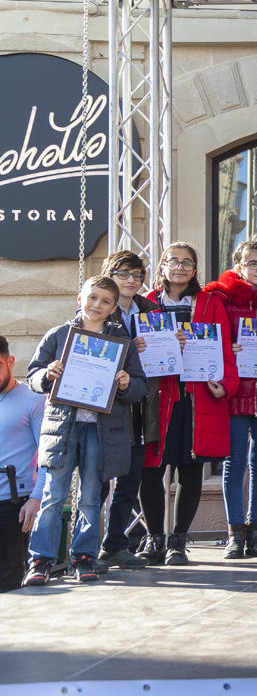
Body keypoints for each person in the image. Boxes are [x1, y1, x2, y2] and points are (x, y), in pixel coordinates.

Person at [22, 277, 147, 586]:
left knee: (91, 497)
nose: (97, 305)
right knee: (53, 496)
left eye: (105, 301)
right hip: (63, 427)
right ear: (80, 298)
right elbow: (32, 375)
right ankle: (41, 560)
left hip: (100, 431)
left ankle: (84, 556)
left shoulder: (122, 343)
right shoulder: (59, 335)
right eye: (92, 297)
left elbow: (140, 386)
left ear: (113, 307)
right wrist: (47, 375)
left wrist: (126, 384)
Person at [139, 242, 239, 565]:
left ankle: (178, 540)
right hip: (156, 400)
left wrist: (225, 384)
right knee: (150, 470)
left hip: (196, 400)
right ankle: (155, 538)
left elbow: (224, 351)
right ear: (162, 266)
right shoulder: (147, 303)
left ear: (195, 270)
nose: (180, 267)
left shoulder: (210, 304)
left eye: (187, 262)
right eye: (173, 261)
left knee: (191, 470)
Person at [204, 240, 257, 558]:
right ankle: (234, 534)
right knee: (233, 463)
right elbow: (210, 343)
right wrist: (228, 349)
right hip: (235, 394)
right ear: (238, 266)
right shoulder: (222, 300)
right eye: (252, 263)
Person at [96, 250, 161, 569]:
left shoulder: (151, 309)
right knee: (98, 485)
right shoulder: (99, 312)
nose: (132, 281)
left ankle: (115, 545)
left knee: (130, 483)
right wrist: (127, 349)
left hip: (143, 406)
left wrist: (172, 340)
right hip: (109, 411)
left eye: (137, 275)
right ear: (111, 274)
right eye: (124, 274)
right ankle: (84, 548)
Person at [0, 336, 46, 591]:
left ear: (10, 362)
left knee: (8, 586)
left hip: (13, 506)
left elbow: (48, 456)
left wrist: (36, 499)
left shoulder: (33, 399)